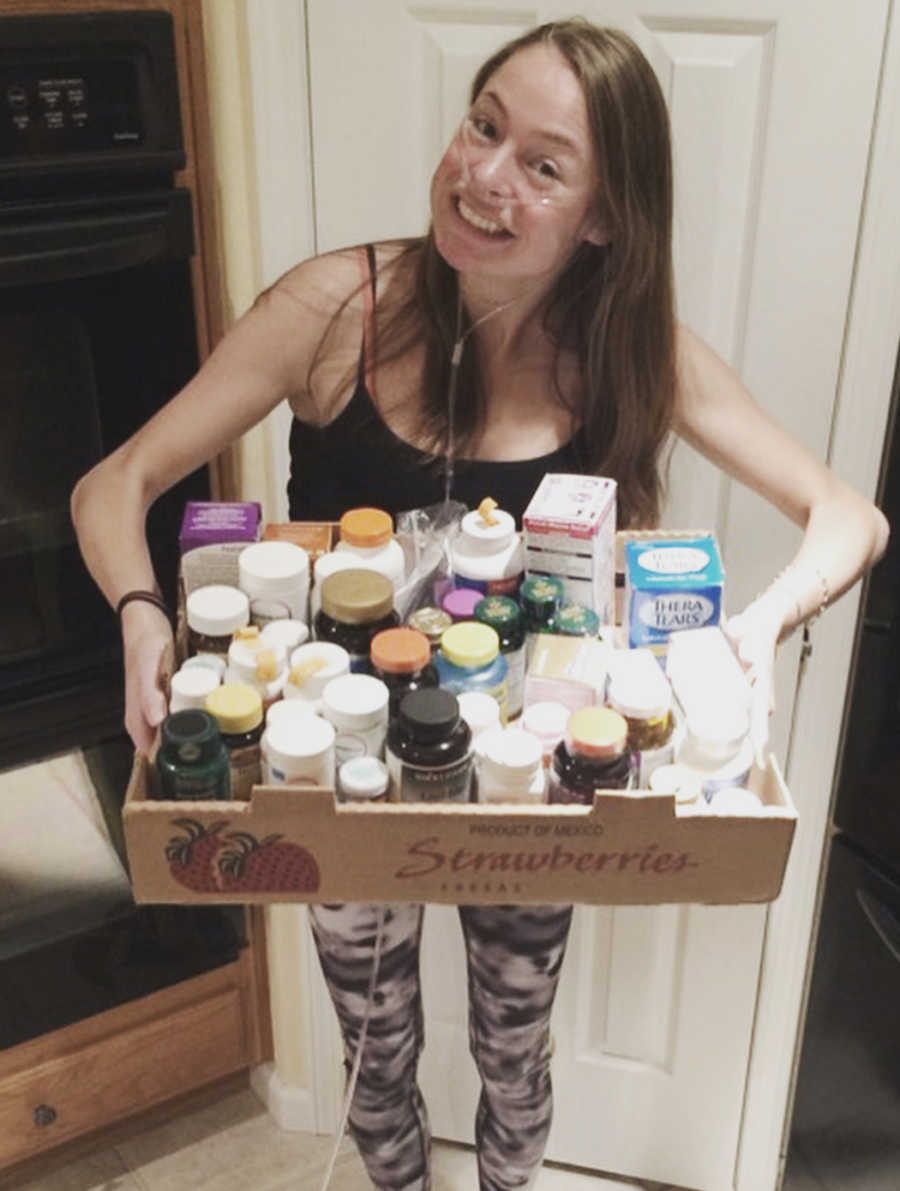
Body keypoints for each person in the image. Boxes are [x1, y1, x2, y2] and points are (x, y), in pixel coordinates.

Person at [71, 18, 888, 1191]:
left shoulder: (633, 349)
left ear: (604, 215)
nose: (482, 176)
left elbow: (850, 518)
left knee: (515, 1050)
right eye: (483, 124)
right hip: (337, 765)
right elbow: (117, 486)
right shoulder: (334, 309)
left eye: (542, 165)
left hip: (531, 775)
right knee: (376, 1049)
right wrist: (146, 612)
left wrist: (750, 634)